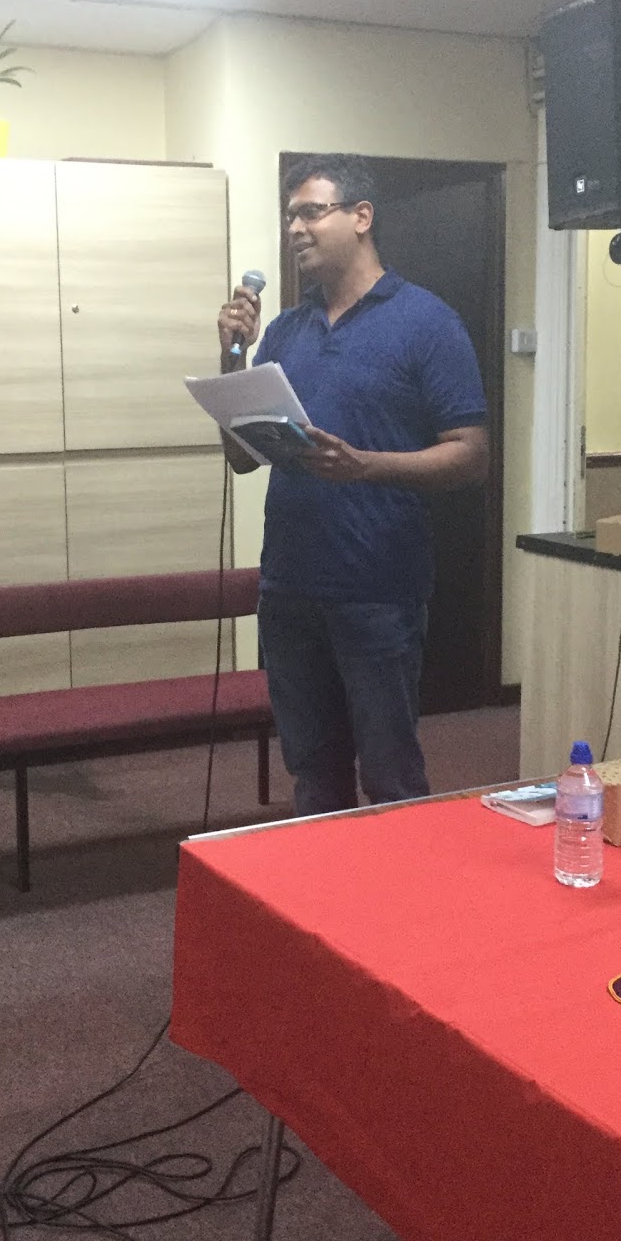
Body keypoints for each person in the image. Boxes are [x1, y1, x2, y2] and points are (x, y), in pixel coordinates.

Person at [217, 153, 488, 818]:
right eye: (290, 216)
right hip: (289, 587)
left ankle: (400, 889)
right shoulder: (284, 331)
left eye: (311, 212)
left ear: (361, 216)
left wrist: (365, 465)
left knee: (390, 775)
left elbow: (471, 455)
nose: (295, 228)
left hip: (377, 589)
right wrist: (230, 355)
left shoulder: (427, 322)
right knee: (313, 775)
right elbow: (243, 460)